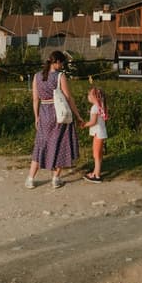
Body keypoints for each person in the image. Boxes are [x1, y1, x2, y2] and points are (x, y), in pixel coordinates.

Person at [25, 50, 84, 189]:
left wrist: (36, 117)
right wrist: (78, 115)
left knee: (40, 146)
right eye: (62, 63)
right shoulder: (60, 76)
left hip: (44, 113)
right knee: (60, 144)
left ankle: (30, 179)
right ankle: (55, 179)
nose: (62, 66)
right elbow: (69, 98)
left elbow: (35, 99)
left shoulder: (37, 76)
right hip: (59, 114)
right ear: (57, 62)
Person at [82, 86, 109, 183]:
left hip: (98, 134)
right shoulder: (101, 106)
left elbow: (93, 122)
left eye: (89, 95)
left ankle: (96, 175)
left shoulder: (94, 107)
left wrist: (84, 125)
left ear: (94, 97)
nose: (88, 96)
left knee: (96, 155)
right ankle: (95, 172)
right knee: (99, 154)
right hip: (101, 133)